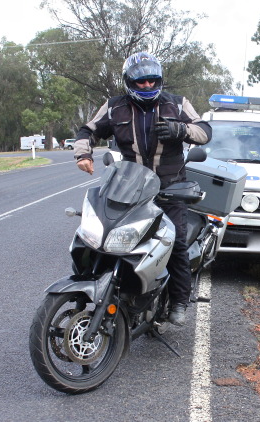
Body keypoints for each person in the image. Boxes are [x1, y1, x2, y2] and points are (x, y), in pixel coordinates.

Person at [74, 51, 212, 326]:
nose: (147, 86)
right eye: (140, 82)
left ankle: (179, 301)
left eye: (152, 80)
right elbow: (87, 130)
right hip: (132, 187)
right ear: (129, 82)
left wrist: (179, 130)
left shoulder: (177, 104)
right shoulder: (115, 107)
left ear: (158, 80)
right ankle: (98, 287)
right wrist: (83, 154)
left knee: (176, 245)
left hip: (170, 188)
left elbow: (205, 132)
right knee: (106, 237)